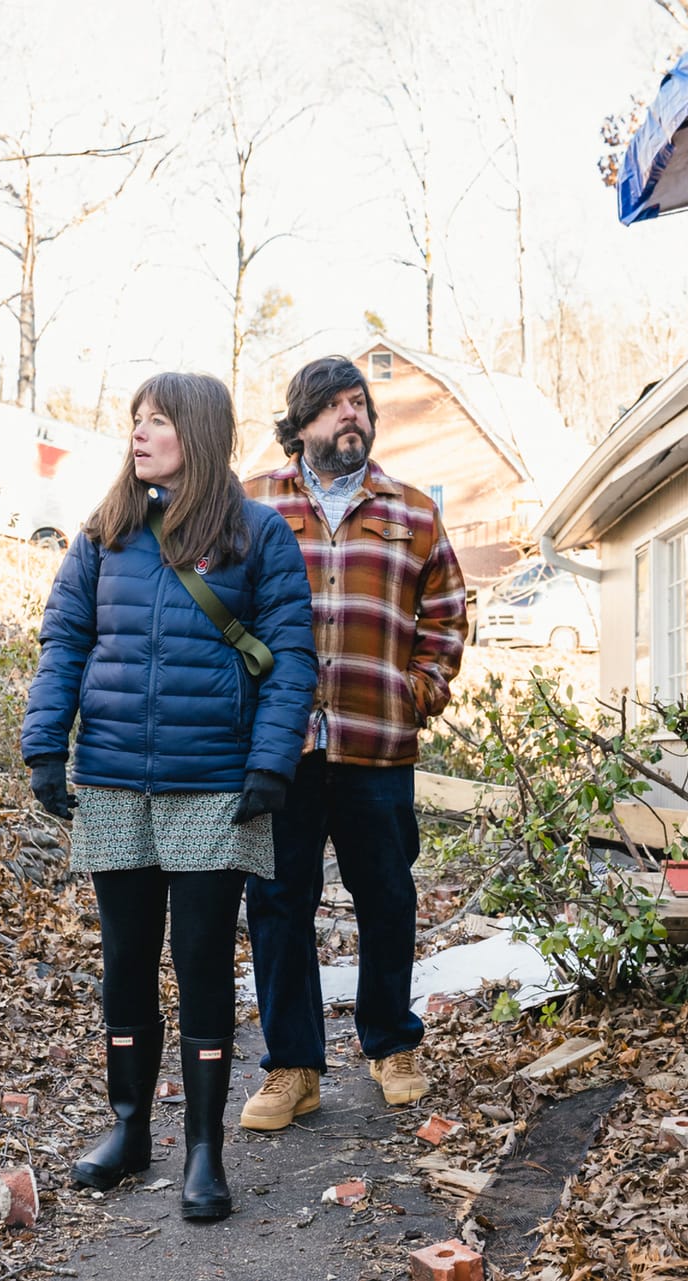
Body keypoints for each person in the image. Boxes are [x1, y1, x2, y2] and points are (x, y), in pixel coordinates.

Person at [21, 371, 315, 1222]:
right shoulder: (105, 533)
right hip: (114, 778)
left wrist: (270, 763)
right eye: (136, 420)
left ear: (198, 430)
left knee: (199, 968)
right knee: (124, 967)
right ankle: (128, 1127)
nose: (140, 433)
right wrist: (47, 744)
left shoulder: (257, 536)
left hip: (214, 786)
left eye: (157, 420)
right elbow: (65, 639)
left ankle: (204, 1152)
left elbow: (293, 658)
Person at [237, 355, 467, 1132]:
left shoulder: (411, 512)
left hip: (378, 741)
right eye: (335, 406)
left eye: (361, 404)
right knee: (277, 901)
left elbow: (446, 615)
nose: (353, 416)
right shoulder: (252, 504)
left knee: (387, 896)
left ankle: (392, 1044)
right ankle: (293, 1066)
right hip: (281, 747)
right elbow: (215, 608)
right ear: (300, 423)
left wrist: (418, 691)